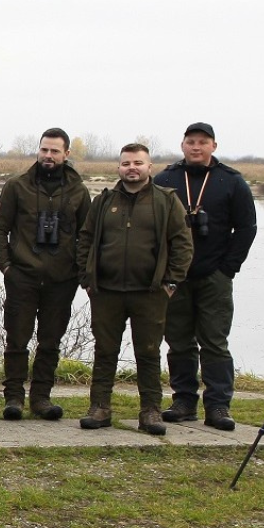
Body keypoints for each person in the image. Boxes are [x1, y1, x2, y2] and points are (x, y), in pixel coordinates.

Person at [76, 144, 193, 434]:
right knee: (104, 351)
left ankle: (150, 411)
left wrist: (171, 283)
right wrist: (87, 279)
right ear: (119, 168)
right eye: (126, 163)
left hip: (150, 293)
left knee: (149, 352)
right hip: (106, 292)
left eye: (138, 163)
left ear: (149, 167)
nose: (132, 168)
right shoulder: (103, 201)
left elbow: (182, 244)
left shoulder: (166, 201)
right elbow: (85, 240)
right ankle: (99, 408)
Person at [154, 122, 256, 430]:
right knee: (178, 340)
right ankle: (183, 400)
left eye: (202, 142)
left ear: (213, 146)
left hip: (215, 275)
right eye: (190, 142)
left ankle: (218, 406)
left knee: (215, 341)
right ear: (182, 145)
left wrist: (228, 268)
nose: (196, 147)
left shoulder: (231, 181)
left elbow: (246, 229)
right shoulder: (166, 179)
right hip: (175, 276)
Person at [0, 128, 93, 421]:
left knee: (50, 340)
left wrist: (80, 271)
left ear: (66, 154)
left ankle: (41, 398)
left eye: (55, 151)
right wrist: (6, 265)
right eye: (44, 150)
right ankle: (13, 398)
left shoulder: (78, 191)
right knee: (17, 338)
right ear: (39, 150)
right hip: (22, 275)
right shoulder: (17, 186)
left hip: (62, 279)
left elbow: (88, 235)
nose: (48, 156)